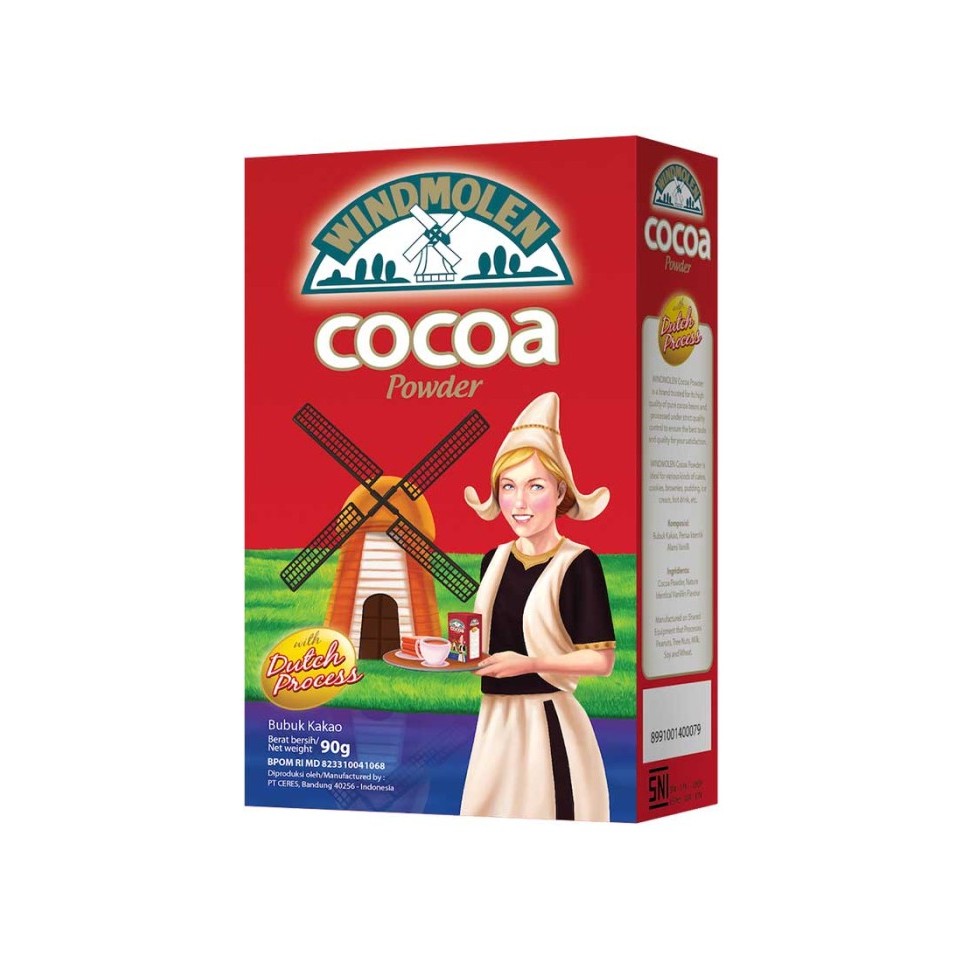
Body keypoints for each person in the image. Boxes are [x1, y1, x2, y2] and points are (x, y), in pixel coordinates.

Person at [460, 392, 615, 821]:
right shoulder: (494, 559)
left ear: (561, 491)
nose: (520, 503)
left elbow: (601, 661)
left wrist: (529, 664)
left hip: (547, 724)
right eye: (508, 487)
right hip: (494, 722)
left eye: (536, 486)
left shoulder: (578, 564)